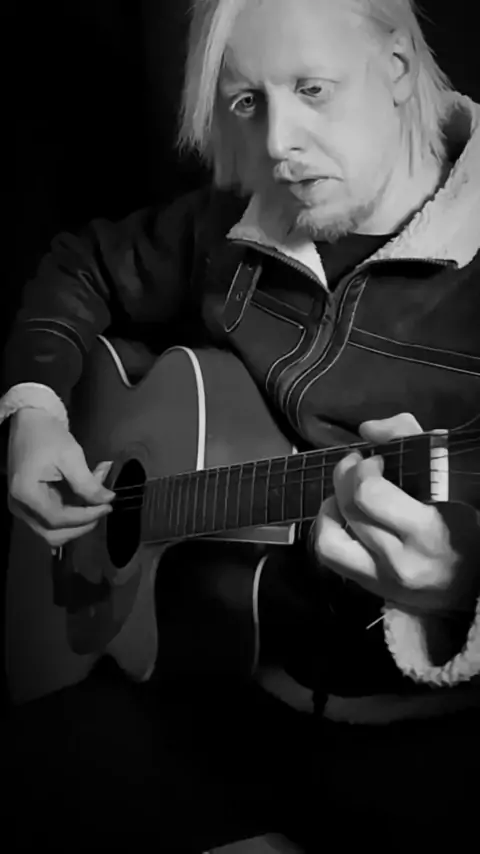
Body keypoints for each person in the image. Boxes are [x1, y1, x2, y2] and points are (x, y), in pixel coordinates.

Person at [2, 0, 480, 850]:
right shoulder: (238, 219)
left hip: (427, 756)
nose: (277, 145)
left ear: (399, 68)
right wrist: (34, 412)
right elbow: (81, 266)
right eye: (248, 102)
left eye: (313, 89)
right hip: (215, 695)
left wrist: (461, 591)